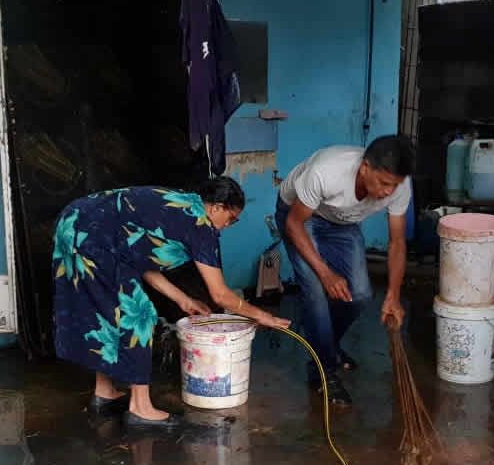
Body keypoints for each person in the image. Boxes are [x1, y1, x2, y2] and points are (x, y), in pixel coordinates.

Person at [52, 178, 290, 427]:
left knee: (106, 311)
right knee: (140, 315)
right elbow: (220, 295)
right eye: (231, 219)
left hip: (75, 223)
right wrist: (263, 316)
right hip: (91, 237)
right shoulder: (199, 226)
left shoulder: (181, 205)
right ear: (216, 207)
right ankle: (140, 408)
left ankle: (104, 391)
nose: (228, 226)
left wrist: (183, 299)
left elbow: (138, 259)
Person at [276, 135, 414, 406]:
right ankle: (322, 370)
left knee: (360, 294)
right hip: (301, 217)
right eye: (384, 183)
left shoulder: (401, 187)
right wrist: (326, 273)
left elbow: (397, 241)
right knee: (316, 291)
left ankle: (326, 344)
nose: (388, 192)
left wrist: (393, 295)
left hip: (342, 222)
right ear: (364, 168)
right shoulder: (327, 171)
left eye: (394, 185)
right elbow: (294, 224)